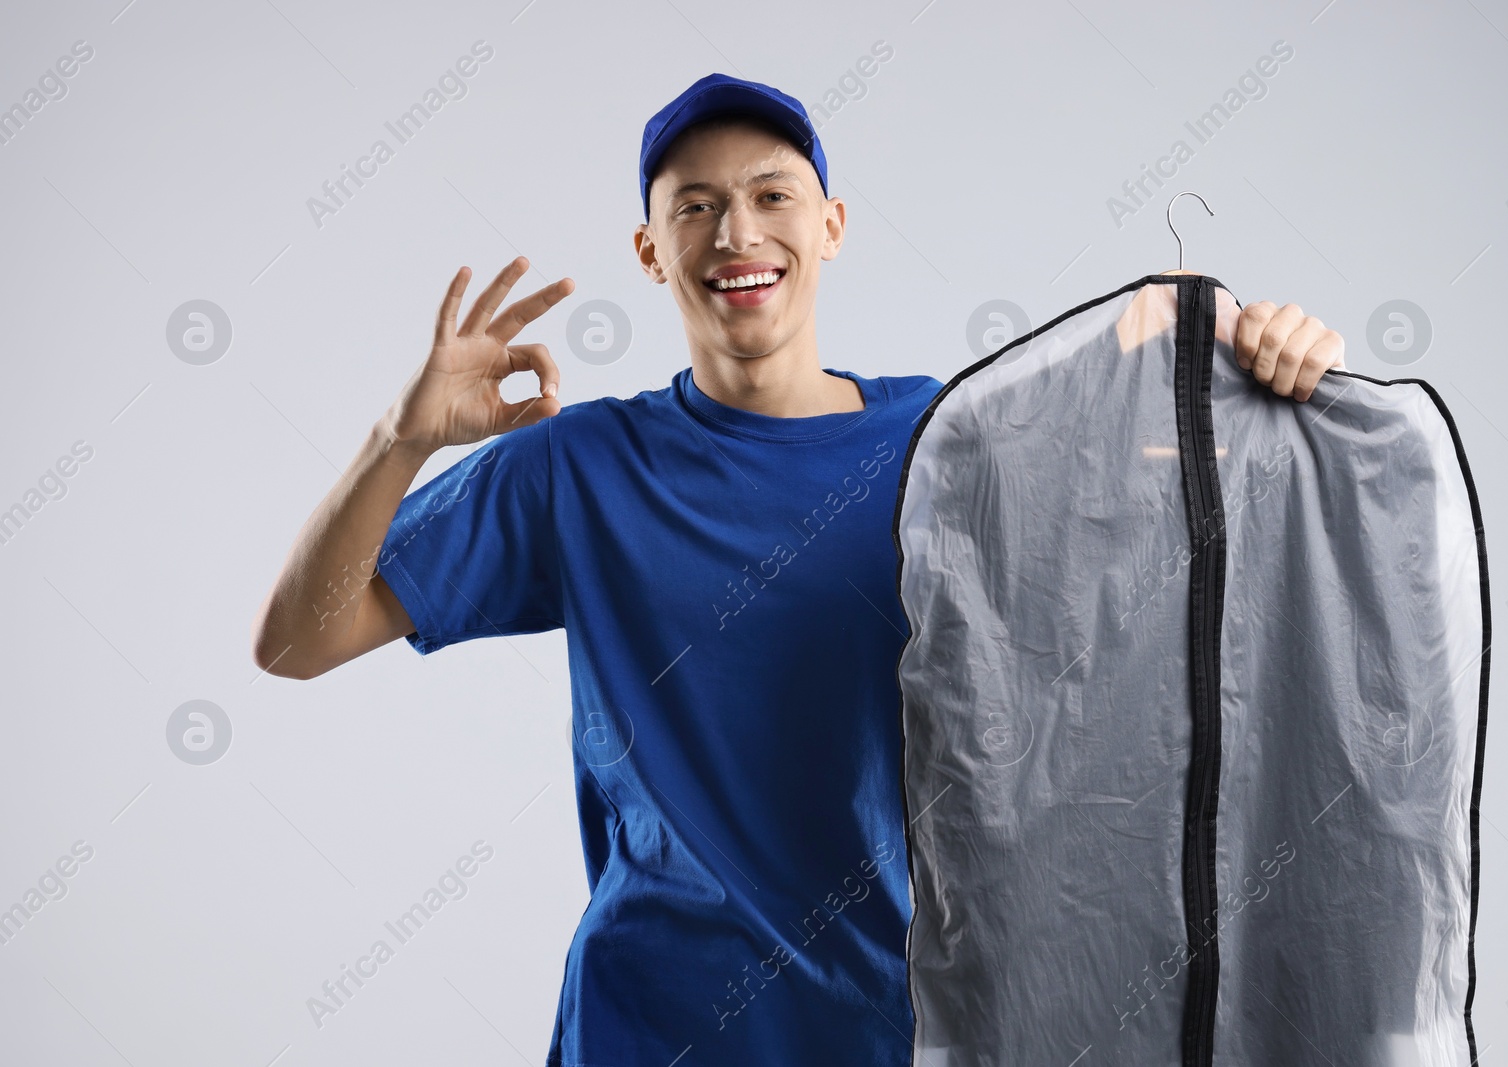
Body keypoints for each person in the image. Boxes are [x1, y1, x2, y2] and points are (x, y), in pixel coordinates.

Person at [250, 73, 1346, 1067]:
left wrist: (1267, 363)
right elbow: (296, 642)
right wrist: (400, 439)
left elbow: (1193, 519)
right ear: (650, 248)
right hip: (646, 1030)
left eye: (773, 197)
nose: (737, 231)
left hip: (904, 1029)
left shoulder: (953, 441)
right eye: (695, 205)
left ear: (829, 227)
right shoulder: (575, 467)